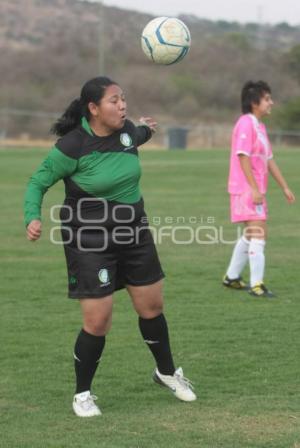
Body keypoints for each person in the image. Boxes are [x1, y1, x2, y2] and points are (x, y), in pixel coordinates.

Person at [24, 76, 196, 417]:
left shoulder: (128, 132)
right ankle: (82, 394)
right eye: (114, 101)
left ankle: (165, 372)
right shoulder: (72, 146)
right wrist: (33, 216)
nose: (122, 106)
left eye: (123, 99)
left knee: (152, 306)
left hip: (134, 233)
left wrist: (147, 127)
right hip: (89, 239)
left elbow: (139, 134)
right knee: (98, 321)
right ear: (93, 109)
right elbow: (37, 181)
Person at [223, 80, 295, 297]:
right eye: (267, 99)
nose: (271, 103)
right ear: (255, 102)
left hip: (255, 190)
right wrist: (254, 188)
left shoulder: (259, 126)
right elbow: (242, 156)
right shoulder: (245, 123)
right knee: (260, 233)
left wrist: (284, 187)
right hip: (245, 189)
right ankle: (257, 285)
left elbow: (269, 159)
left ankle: (232, 277)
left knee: (252, 233)